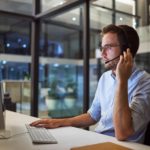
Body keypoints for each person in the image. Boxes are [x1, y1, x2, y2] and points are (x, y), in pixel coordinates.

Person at [30, 24, 150, 143]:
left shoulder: (145, 82)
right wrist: (60, 122)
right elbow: (92, 116)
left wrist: (121, 81)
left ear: (126, 50)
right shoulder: (105, 78)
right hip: (98, 139)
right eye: (102, 48)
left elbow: (122, 133)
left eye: (108, 47)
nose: (102, 54)